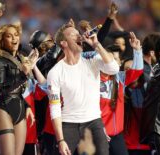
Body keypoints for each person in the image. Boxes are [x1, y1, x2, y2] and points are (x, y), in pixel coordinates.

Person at [47, 23, 119, 155]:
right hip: (69, 123)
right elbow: (55, 108)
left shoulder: (92, 60)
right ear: (63, 43)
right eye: (73, 34)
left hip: (94, 121)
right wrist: (61, 140)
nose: (79, 36)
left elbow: (114, 69)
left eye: (78, 33)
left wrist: (96, 45)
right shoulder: (55, 72)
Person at [0, 23, 43, 155]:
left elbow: (17, 91)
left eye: (16, 35)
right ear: (1, 40)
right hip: (2, 109)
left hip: (19, 109)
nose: (14, 38)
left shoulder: (19, 59)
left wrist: (27, 106)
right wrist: (23, 74)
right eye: (9, 36)